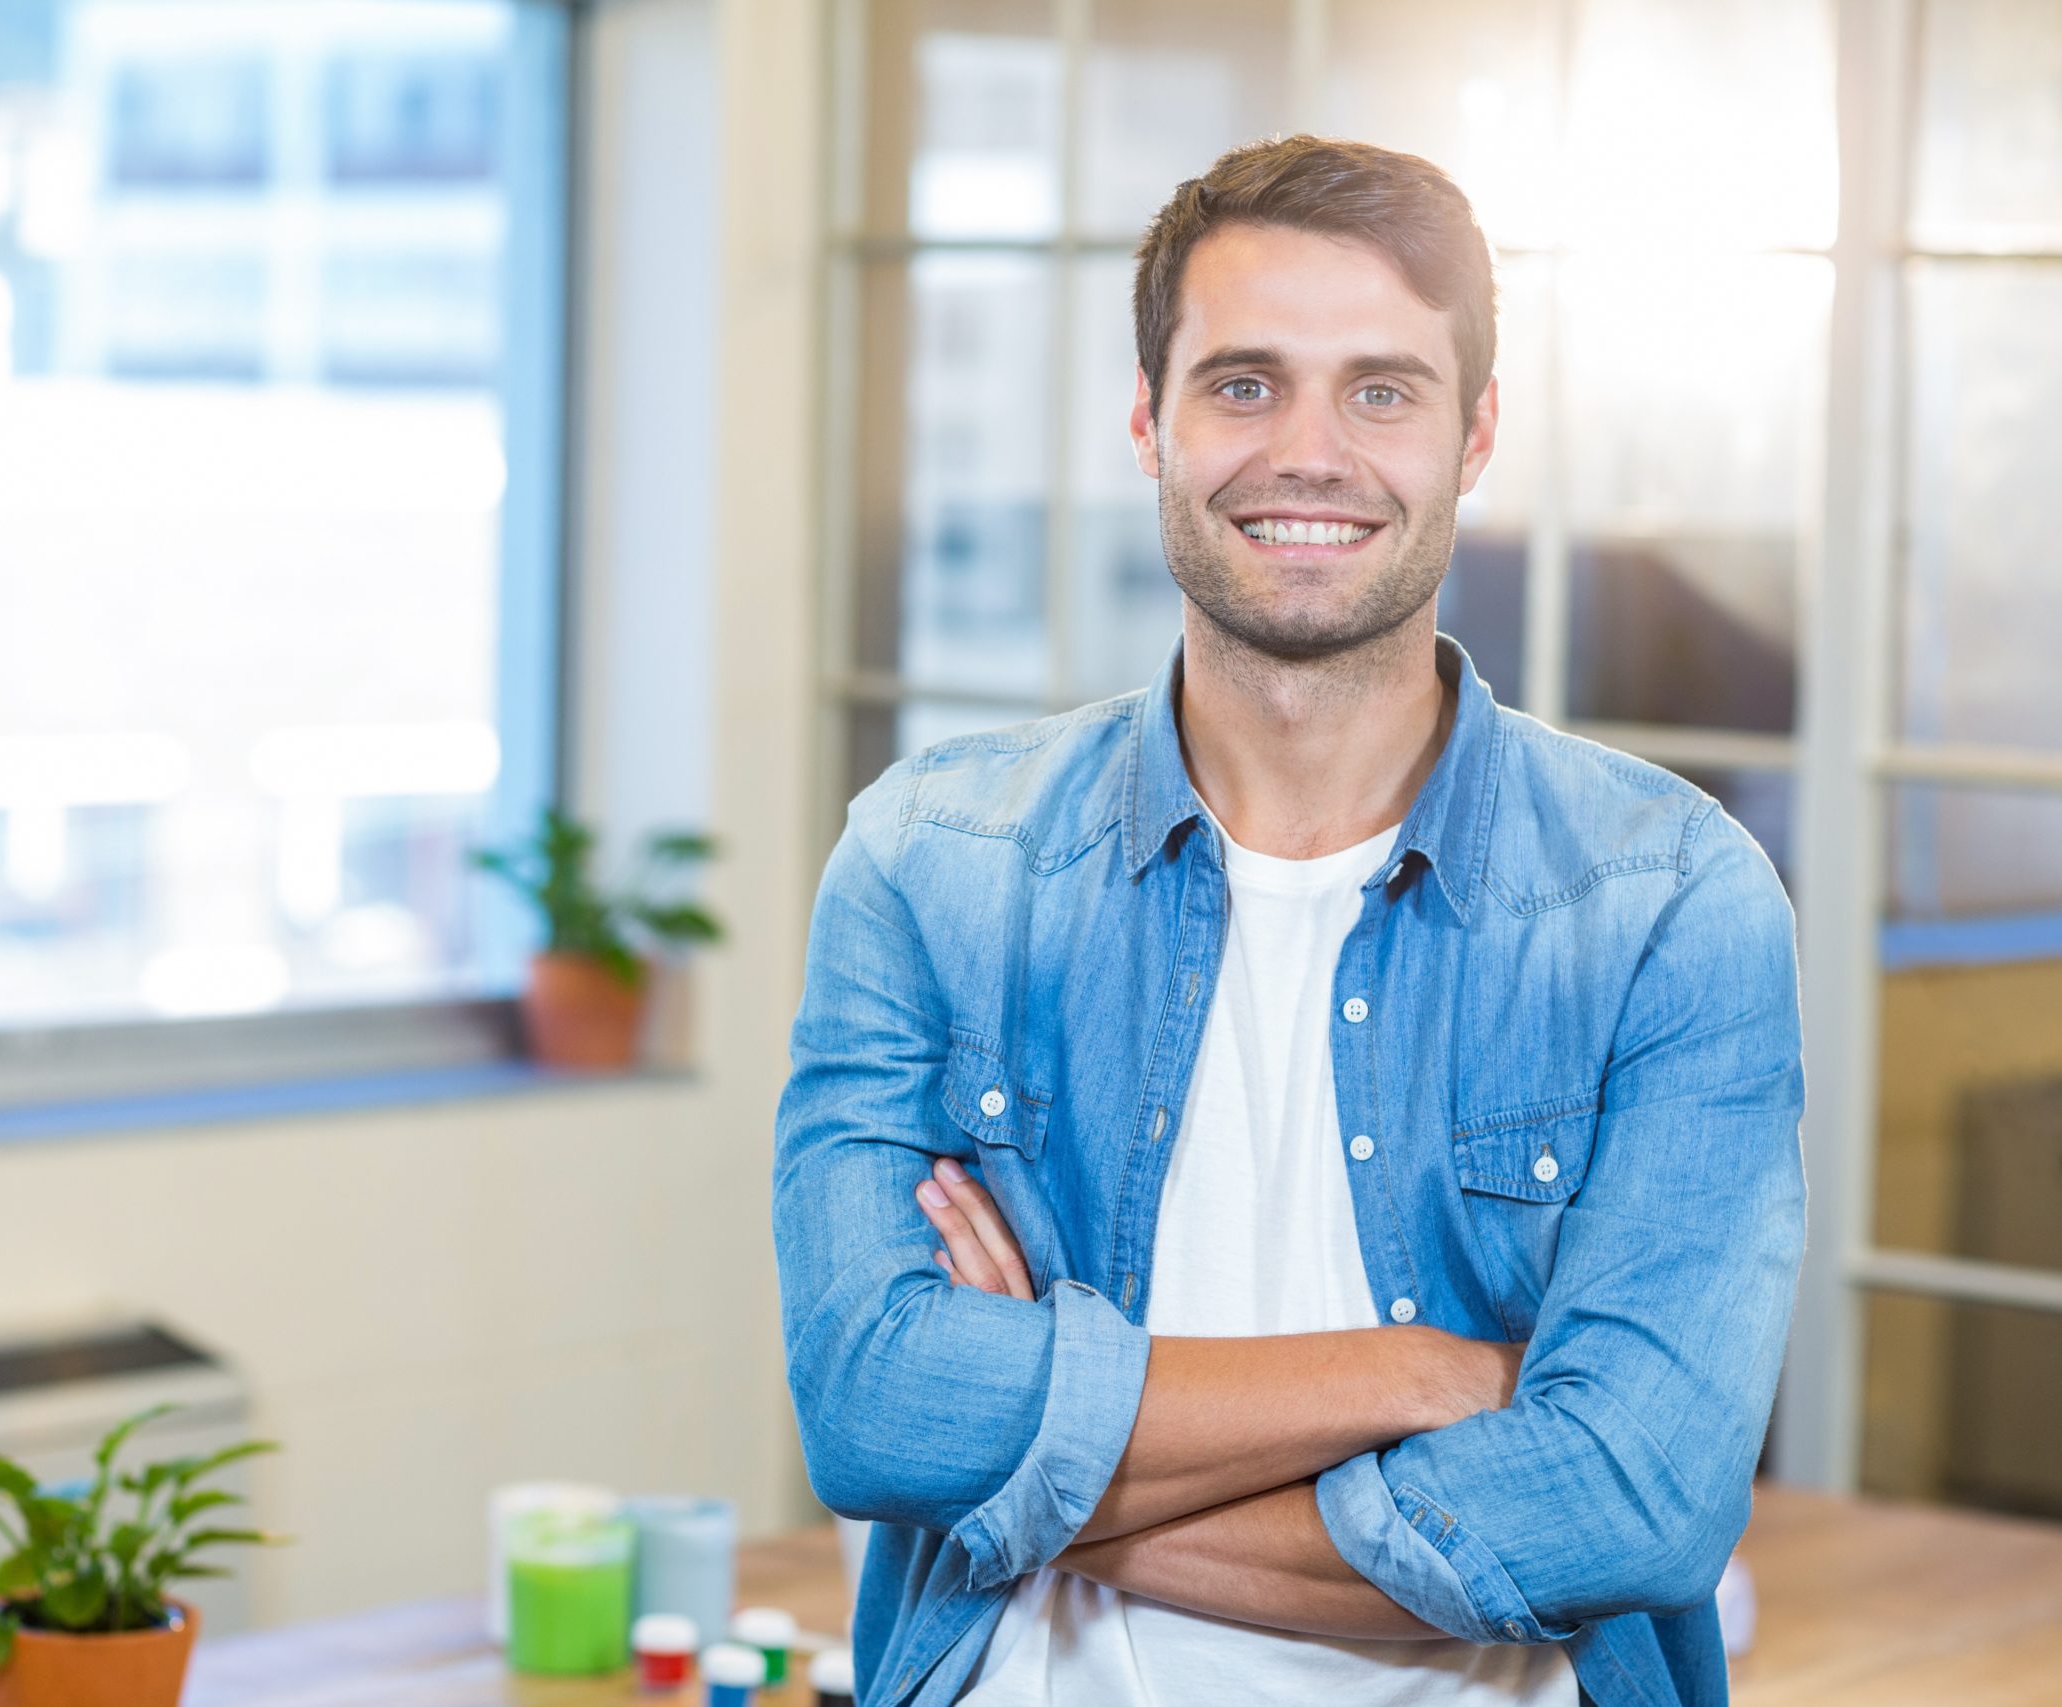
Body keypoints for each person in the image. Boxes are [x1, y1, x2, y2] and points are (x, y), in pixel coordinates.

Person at [771, 135, 1805, 1707]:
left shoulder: (1669, 900)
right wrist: (1420, 1381)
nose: (1308, 452)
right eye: (1243, 383)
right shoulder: (932, 862)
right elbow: (872, 1412)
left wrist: (1031, 1487)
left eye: (1381, 391)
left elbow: (1634, 1506)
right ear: (1149, 419)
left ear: (1475, 436)